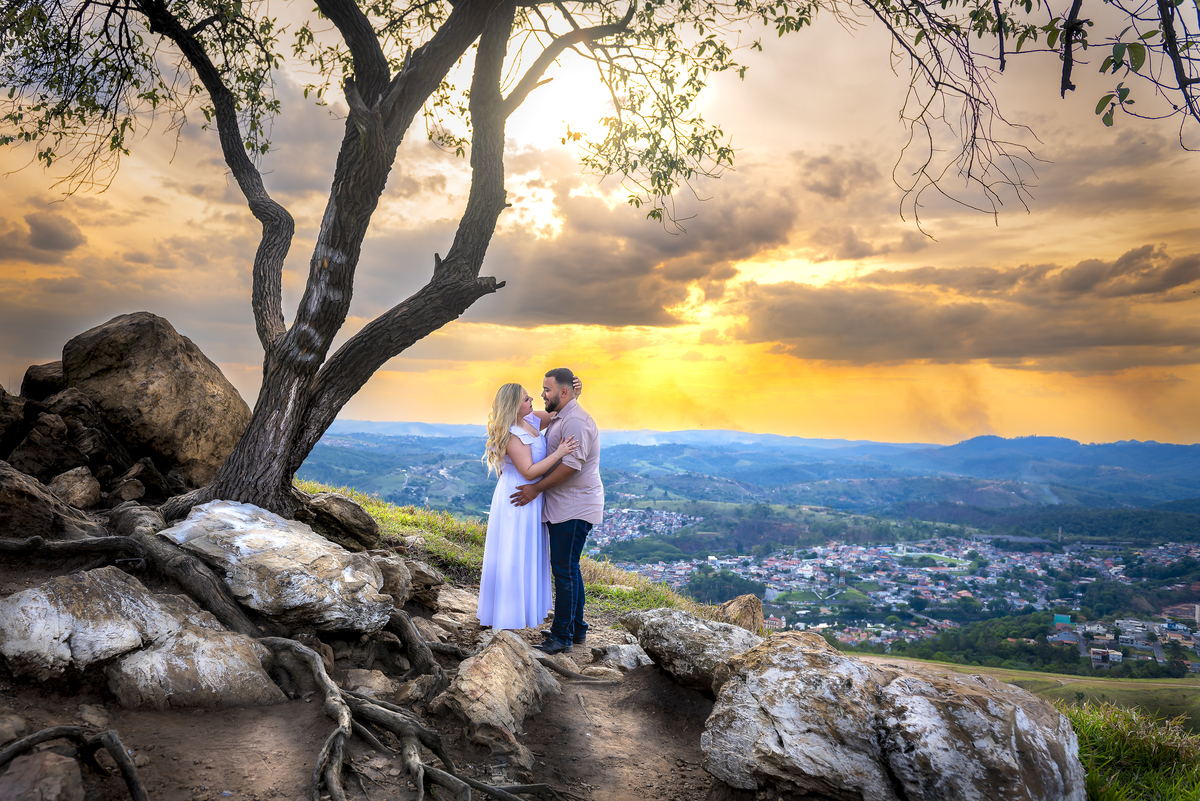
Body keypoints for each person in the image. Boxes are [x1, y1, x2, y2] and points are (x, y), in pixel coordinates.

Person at [510, 367, 603, 654]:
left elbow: (570, 466)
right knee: (569, 569)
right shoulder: (562, 415)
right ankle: (575, 630)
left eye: (547, 390)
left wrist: (537, 489)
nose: (542, 395)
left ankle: (562, 636)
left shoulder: (575, 421)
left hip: (574, 506)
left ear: (563, 392)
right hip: (566, 505)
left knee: (563, 571)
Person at [477, 383, 578, 630]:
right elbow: (530, 471)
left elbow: (557, 412)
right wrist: (559, 453)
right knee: (513, 552)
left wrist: (574, 392)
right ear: (513, 405)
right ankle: (506, 615)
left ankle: (521, 611)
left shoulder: (530, 419)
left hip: (531, 498)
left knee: (525, 551)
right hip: (519, 495)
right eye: (525, 398)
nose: (531, 399)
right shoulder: (512, 433)